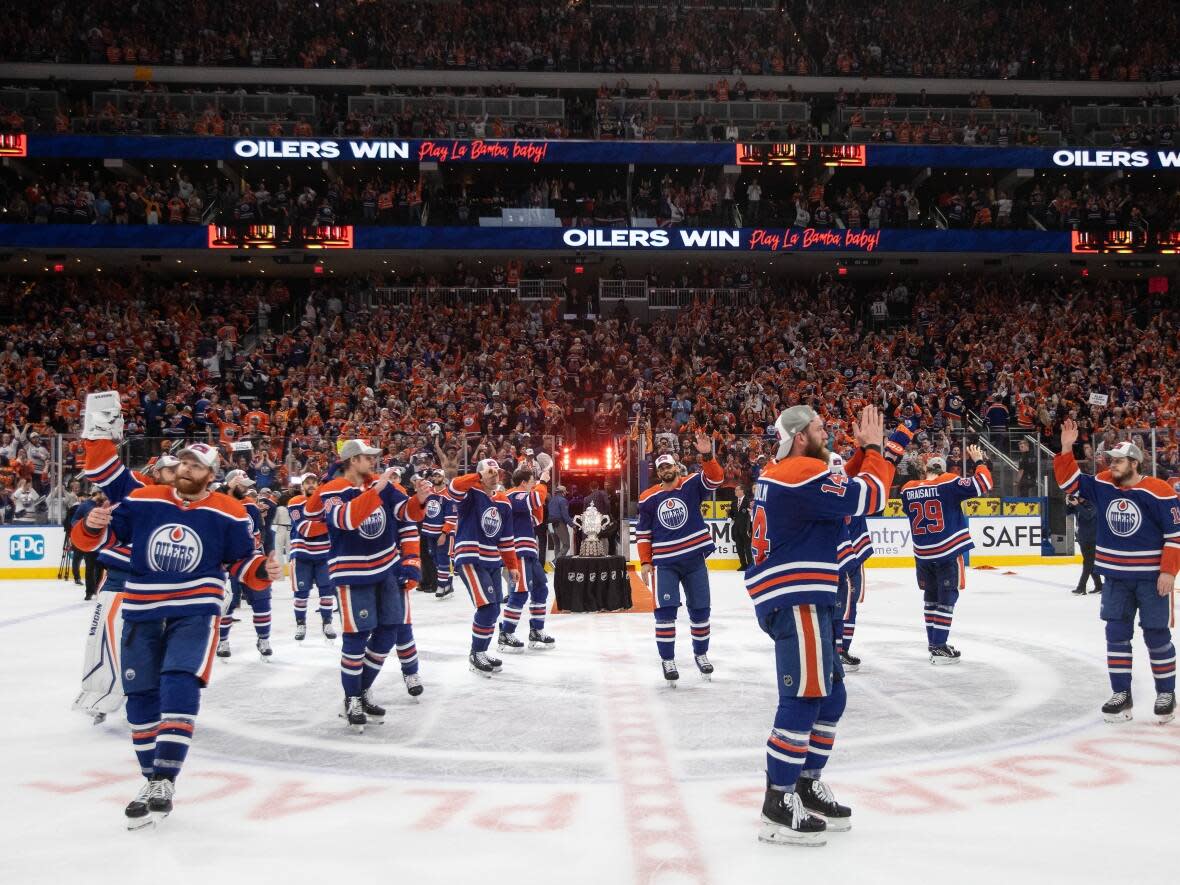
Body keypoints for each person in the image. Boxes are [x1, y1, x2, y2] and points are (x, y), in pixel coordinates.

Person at [72, 441, 279, 830]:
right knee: (140, 699)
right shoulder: (145, 499)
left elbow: (242, 561)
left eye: (195, 465)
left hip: (195, 610)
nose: (185, 469)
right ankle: (152, 780)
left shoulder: (230, 512)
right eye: (182, 462)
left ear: (211, 475)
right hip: (141, 610)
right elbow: (96, 542)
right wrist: (90, 525)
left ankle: (165, 779)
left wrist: (262, 571)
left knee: (179, 683)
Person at [744, 404, 893, 847]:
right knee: (805, 697)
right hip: (799, 597)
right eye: (819, 427)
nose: (826, 431)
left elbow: (834, 484)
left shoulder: (788, 471)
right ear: (801, 437)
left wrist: (864, 455)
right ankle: (778, 799)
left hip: (803, 594)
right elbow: (871, 497)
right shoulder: (802, 472)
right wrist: (872, 449)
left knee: (831, 696)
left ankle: (806, 783)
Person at [1055, 422, 1179, 724]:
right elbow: (1069, 484)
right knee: (1116, 635)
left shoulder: (1159, 491)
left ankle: (1166, 693)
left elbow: (1174, 536)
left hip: (1151, 579)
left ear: (1134, 463)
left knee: (1156, 634)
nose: (1112, 464)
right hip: (1116, 578)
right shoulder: (1103, 483)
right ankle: (1121, 693)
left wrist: (1168, 573)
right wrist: (1066, 448)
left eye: (1118, 460)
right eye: (1110, 459)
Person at [308, 440, 425, 731]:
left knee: (389, 631)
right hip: (351, 571)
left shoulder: (379, 485)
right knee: (357, 637)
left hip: (386, 568)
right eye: (367, 458)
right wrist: (376, 491)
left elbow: (405, 515)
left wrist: (418, 500)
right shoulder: (331, 490)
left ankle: (360, 690)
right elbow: (345, 520)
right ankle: (352, 697)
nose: (373, 462)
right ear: (352, 460)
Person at [636, 432, 723, 683]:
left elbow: (716, 479)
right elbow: (643, 532)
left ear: (676, 467)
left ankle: (701, 654)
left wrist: (707, 456)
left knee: (700, 610)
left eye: (669, 465)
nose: (665, 470)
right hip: (665, 563)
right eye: (661, 467)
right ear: (658, 472)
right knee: (665, 613)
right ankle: (668, 659)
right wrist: (645, 561)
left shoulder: (692, 484)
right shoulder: (649, 498)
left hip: (694, 560)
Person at [898, 445, 993, 663]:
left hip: (922, 554)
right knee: (947, 598)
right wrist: (978, 461)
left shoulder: (908, 488)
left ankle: (934, 642)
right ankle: (939, 646)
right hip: (946, 551)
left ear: (926, 470)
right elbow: (984, 483)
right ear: (943, 470)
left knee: (930, 598)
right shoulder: (948, 481)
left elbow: (909, 510)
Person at [447, 458, 521, 676]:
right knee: (487, 608)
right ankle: (476, 652)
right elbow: (454, 487)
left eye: (496, 471)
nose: (494, 474)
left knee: (495, 607)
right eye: (489, 471)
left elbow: (506, 539)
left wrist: (512, 565)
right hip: (470, 557)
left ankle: (482, 650)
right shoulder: (470, 494)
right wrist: (479, 477)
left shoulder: (504, 502)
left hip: (492, 560)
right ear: (479, 475)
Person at [216, 469, 273, 660]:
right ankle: (222, 640)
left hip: (248, 559)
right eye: (242, 485)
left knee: (262, 598)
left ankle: (263, 638)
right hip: (224, 562)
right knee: (227, 602)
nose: (246, 490)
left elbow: (259, 533)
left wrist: (258, 549)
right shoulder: (217, 502)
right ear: (232, 484)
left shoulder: (251, 507)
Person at [498, 466, 555, 653]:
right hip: (518, 551)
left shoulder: (521, 498)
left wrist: (538, 500)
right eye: (532, 481)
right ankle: (506, 632)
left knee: (540, 588)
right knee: (520, 592)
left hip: (529, 551)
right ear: (523, 483)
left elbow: (536, 519)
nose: (534, 485)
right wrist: (544, 482)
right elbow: (536, 497)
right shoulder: (514, 494)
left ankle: (537, 630)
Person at [286, 473, 338, 640]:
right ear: (301, 486)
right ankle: (301, 624)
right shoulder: (295, 502)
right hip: (302, 553)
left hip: (325, 554)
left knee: (326, 591)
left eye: (313, 482)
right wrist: (329, 524)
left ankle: (327, 622)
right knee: (301, 593)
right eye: (307, 482)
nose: (310, 485)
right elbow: (304, 529)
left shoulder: (326, 501)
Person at [418, 468, 456, 600]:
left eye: (438, 476)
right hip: (429, 533)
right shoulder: (429, 493)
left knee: (443, 559)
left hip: (442, 534)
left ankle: (441, 585)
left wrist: (444, 533)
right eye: (434, 475)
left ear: (443, 478)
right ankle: (448, 584)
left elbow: (452, 518)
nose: (435, 478)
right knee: (434, 559)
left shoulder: (448, 496)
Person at [70, 490, 108, 600]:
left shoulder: (103, 505)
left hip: (102, 543)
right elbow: (74, 520)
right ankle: (89, 591)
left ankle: (97, 589)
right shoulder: (85, 505)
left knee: (100, 567)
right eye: (103, 494)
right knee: (90, 567)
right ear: (97, 494)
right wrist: (84, 526)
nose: (105, 496)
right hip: (90, 543)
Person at [1067, 491, 1101, 595]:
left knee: (1087, 563)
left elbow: (1088, 515)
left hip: (1092, 539)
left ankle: (1081, 587)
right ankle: (1099, 586)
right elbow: (1067, 513)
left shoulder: (1093, 504)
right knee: (1090, 563)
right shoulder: (1079, 505)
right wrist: (1069, 504)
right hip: (1083, 538)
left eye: (1079, 497)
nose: (1077, 498)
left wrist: (1077, 505)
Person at [548, 484, 575, 560]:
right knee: (566, 545)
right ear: (563, 492)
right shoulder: (563, 500)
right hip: (559, 524)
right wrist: (572, 525)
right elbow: (565, 515)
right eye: (565, 492)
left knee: (556, 545)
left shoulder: (551, 500)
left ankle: (557, 567)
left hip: (551, 525)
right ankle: (555, 562)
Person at [730, 483, 753, 570]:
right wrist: (730, 516)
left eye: (736, 490)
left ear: (742, 491)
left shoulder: (748, 501)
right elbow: (732, 514)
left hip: (746, 528)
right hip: (736, 529)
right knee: (739, 548)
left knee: (747, 547)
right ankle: (743, 564)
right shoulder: (734, 502)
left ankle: (750, 564)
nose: (735, 491)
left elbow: (750, 514)